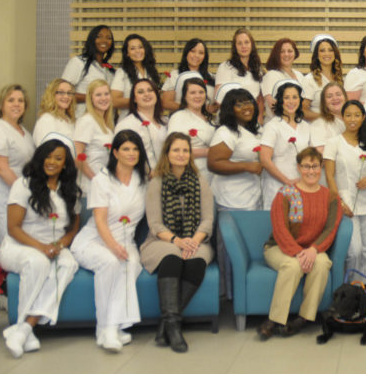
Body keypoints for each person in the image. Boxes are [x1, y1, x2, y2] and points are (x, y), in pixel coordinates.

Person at [0, 135, 81, 358]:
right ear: (39, 158)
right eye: (48, 156)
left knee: (69, 264)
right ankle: (25, 329)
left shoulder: (70, 189)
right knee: (37, 263)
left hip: (54, 247)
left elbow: (73, 228)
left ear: (65, 164)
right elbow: (13, 227)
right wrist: (42, 247)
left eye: (58, 158)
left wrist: (59, 245)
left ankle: (24, 328)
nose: (52, 161)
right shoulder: (23, 185)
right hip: (19, 245)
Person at [70, 130, 149, 352]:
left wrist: (121, 247)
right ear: (115, 152)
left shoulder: (141, 180)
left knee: (132, 265)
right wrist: (114, 247)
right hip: (95, 240)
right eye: (125, 149)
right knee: (111, 263)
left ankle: (114, 326)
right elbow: (100, 221)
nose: (131, 153)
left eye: (135, 149)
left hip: (126, 241)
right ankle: (106, 328)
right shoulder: (101, 180)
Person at [258, 147, 342, 339]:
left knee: (322, 264)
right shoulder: (286, 193)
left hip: (313, 248)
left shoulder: (330, 197)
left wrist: (313, 250)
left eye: (314, 166)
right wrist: (298, 252)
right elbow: (280, 229)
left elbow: (331, 229)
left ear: (321, 167)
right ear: (298, 168)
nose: (310, 171)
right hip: (279, 248)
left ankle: (304, 318)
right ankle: (275, 319)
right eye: (305, 166)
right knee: (293, 266)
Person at [141, 133, 214, 353]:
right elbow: (155, 224)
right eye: (176, 150)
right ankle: (173, 326)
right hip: (161, 240)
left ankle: (167, 322)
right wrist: (177, 241)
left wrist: (194, 240)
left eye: (185, 150)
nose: (181, 155)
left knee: (196, 261)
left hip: (196, 239)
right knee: (172, 258)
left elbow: (208, 219)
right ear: (167, 153)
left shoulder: (199, 179)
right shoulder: (156, 181)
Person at [208, 84, 263, 299]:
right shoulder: (226, 131)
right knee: (230, 251)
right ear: (230, 109)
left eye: (248, 101)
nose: (246, 107)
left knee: (249, 249)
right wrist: (246, 166)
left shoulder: (254, 129)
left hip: (252, 198)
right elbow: (214, 163)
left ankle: (245, 293)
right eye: (239, 104)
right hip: (231, 201)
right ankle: (229, 297)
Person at [324, 100, 366, 280]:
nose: (352, 119)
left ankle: (365, 289)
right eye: (348, 115)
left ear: (363, 117)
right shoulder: (334, 142)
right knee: (354, 250)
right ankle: (349, 288)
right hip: (346, 204)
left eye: (357, 115)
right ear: (342, 117)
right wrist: (339, 202)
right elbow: (329, 176)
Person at [0, 84, 36, 249]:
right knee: (11, 245)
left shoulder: (24, 132)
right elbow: (1, 168)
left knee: (1, 247)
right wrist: (24, 192)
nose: (16, 104)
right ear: (1, 105)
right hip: (1, 196)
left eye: (21, 101)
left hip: (17, 196)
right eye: (11, 100)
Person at [259, 79, 312, 209]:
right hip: (277, 186)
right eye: (286, 97)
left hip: (301, 185)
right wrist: (286, 181)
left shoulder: (306, 126)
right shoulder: (272, 126)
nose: (291, 101)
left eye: (295, 97)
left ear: (300, 100)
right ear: (280, 101)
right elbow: (265, 160)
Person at [167, 75, 217, 175]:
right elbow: (173, 149)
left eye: (201, 92)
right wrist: (207, 152)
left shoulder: (210, 119)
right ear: (185, 96)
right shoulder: (178, 117)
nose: (197, 96)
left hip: (210, 172)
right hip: (188, 171)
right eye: (192, 93)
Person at [60, 25, 115, 116]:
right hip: (82, 120)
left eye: (108, 38)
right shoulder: (78, 62)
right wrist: (92, 98)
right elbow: (63, 93)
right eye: (99, 37)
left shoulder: (110, 69)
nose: (104, 40)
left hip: (106, 123)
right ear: (92, 40)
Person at [113, 79, 167, 170]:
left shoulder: (166, 121)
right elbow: (122, 157)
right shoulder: (126, 125)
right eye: (140, 92)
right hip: (143, 177)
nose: (146, 94)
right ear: (134, 99)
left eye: (150, 90)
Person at [73, 79, 115, 193]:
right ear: (90, 98)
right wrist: (95, 179)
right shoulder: (86, 121)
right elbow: (78, 157)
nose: (103, 98)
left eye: (106, 94)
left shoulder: (106, 124)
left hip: (104, 186)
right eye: (98, 95)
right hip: (89, 188)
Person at [215, 27, 264, 116]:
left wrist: (259, 119)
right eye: (239, 43)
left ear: (251, 45)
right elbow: (218, 98)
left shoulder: (258, 69)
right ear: (235, 46)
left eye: (246, 42)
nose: (243, 46)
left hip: (250, 118)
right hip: (231, 118)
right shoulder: (225, 67)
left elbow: (260, 99)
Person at [110, 34, 163, 112]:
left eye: (140, 47)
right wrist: (138, 99)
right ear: (127, 53)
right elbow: (114, 101)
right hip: (130, 119)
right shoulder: (122, 72)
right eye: (132, 48)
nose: (137, 51)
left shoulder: (151, 71)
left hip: (151, 117)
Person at [161, 39, 216, 112]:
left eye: (201, 53)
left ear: (204, 57)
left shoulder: (210, 76)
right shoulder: (175, 75)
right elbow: (166, 102)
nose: (196, 55)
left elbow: (215, 105)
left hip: (205, 120)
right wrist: (191, 109)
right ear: (186, 53)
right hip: (181, 119)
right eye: (193, 51)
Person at [301, 34, 344, 121]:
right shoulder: (309, 80)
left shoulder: (340, 79)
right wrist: (325, 117)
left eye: (330, 50)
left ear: (335, 54)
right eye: (322, 50)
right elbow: (302, 110)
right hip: (317, 129)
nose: (327, 54)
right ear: (317, 55)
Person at [261, 38, 304, 122]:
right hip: (277, 125)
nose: (286, 54)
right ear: (277, 54)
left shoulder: (300, 76)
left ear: (295, 53)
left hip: (297, 124)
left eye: (290, 51)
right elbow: (272, 105)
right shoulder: (271, 75)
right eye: (282, 51)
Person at [32, 78, 77, 146]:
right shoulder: (47, 120)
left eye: (69, 93)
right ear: (52, 94)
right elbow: (44, 151)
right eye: (61, 92)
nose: (66, 96)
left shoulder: (70, 120)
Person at [310, 82, 347, 152]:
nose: (335, 98)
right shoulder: (318, 124)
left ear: (345, 97)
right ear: (324, 102)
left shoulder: (353, 121)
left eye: (338, 94)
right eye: (329, 96)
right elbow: (320, 153)